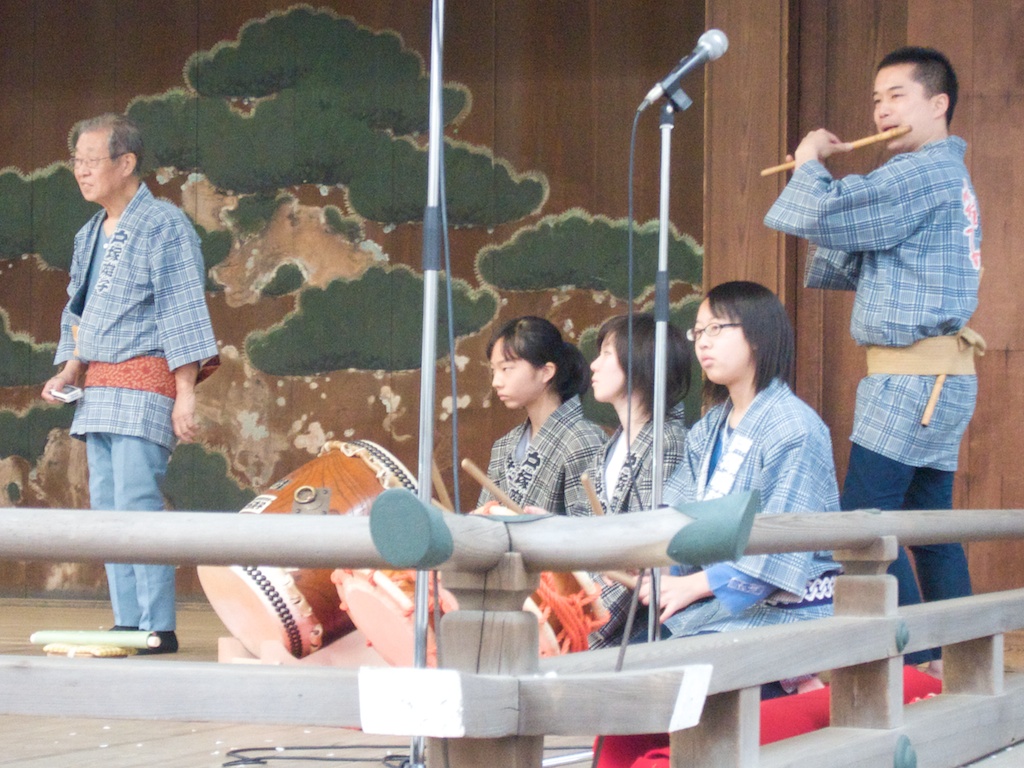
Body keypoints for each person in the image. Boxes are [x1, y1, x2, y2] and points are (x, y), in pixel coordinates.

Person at [763, 47, 982, 670]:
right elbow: (853, 240)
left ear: (938, 105)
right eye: (877, 99)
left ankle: (915, 662)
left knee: (865, 528)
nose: (883, 110)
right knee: (928, 527)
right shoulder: (942, 174)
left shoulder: (919, 173)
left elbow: (831, 214)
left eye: (898, 96)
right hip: (938, 378)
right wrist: (820, 179)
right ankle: (954, 661)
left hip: (910, 379)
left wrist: (810, 166)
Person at [41, 113, 219, 654]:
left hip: (145, 377)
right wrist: (70, 368)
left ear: (126, 163)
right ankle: (127, 621)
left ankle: (158, 625)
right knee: (108, 508)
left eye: (91, 161)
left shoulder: (164, 225)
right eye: (76, 162)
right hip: (97, 386)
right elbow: (80, 311)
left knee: (139, 501)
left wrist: (185, 391)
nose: (81, 171)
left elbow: (181, 307)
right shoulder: (88, 234)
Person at [640, 282, 839, 694]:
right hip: (713, 606)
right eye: (699, 331)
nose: (702, 343)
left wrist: (691, 585)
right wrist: (654, 569)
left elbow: (785, 544)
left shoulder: (795, 428)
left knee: (676, 677)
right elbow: (672, 513)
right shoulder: (709, 428)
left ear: (759, 336)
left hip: (782, 612)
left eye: (717, 329)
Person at [586, 313, 691, 649]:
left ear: (639, 361)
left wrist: (585, 624)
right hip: (601, 596)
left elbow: (645, 557)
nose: (593, 365)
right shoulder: (612, 445)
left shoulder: (666, 441)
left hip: (634, 623)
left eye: (605, 354)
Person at [478, 316, 605, 517]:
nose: (496, 382)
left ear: (546, 372)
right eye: (494, 371)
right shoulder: (504, 445)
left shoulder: (581, 440)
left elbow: (587, 531)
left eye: (506, 369)